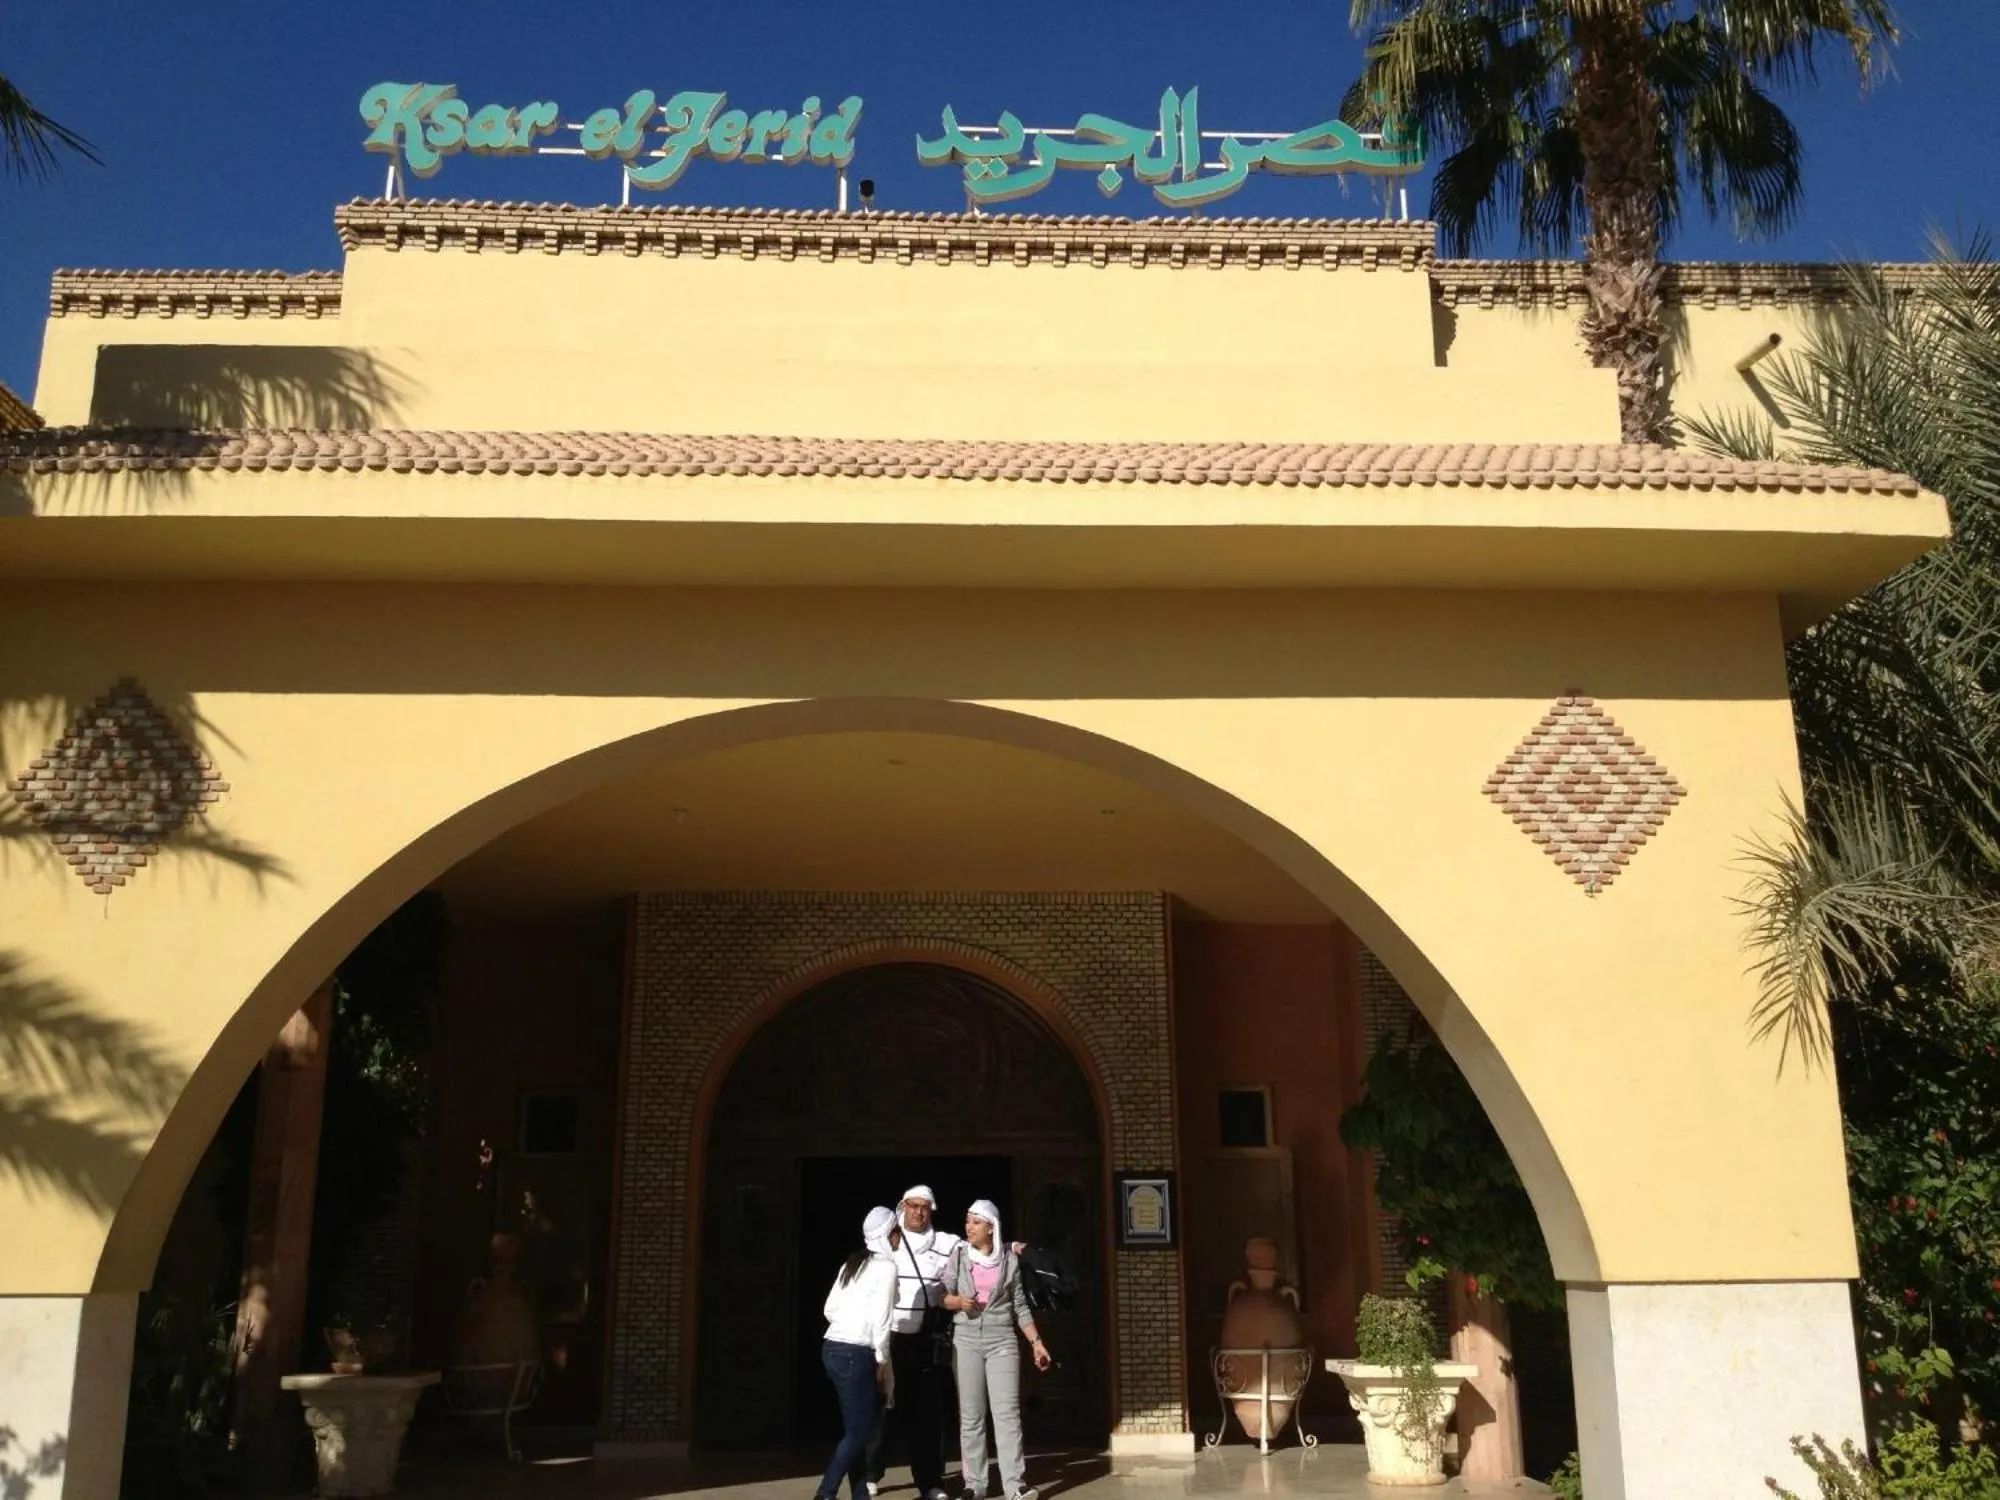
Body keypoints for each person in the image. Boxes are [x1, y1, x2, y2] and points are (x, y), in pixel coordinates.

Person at [942, 1200, 1050, 1500]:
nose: (968, 1227)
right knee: (972, 1415)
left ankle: (1015, 1485)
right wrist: (958, 1303)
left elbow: (1018, 1305)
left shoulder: (1009, 1260)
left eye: (975, 1222)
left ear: (991, 1226)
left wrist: (1036, 1342)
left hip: (1002, 1340)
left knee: (1007, 1415)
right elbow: (941, 1293)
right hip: (966, 1340)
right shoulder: (959, 1256)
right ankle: (974, 1486)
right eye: (967, 1221)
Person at [866, 1186, 962, 1500]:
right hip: (889, 1338)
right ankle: (871, 1473)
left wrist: (1013, 1247)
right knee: (885, 1408)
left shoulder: (947, 1244)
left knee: (928, 1413)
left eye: (925, 1207)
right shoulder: (888, 1239)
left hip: (925, 1340)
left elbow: (980, 1252)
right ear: (902, 1207)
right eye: (913, 1206)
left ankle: (931, 1481)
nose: (918, 1212)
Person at [817, 1207, 901, 1500]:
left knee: (856, 1429)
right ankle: (825, 1493)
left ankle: (859, 1495)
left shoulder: (851, 1264)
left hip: (832, 1349)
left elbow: (829, 1309)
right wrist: (881, 1360)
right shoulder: (887, 1268)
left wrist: (850, 1319)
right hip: (856, 1353)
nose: (898, 1238)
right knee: (859, 1431)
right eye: (896, 1232)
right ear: (888, 1234)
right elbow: (882, 1319)